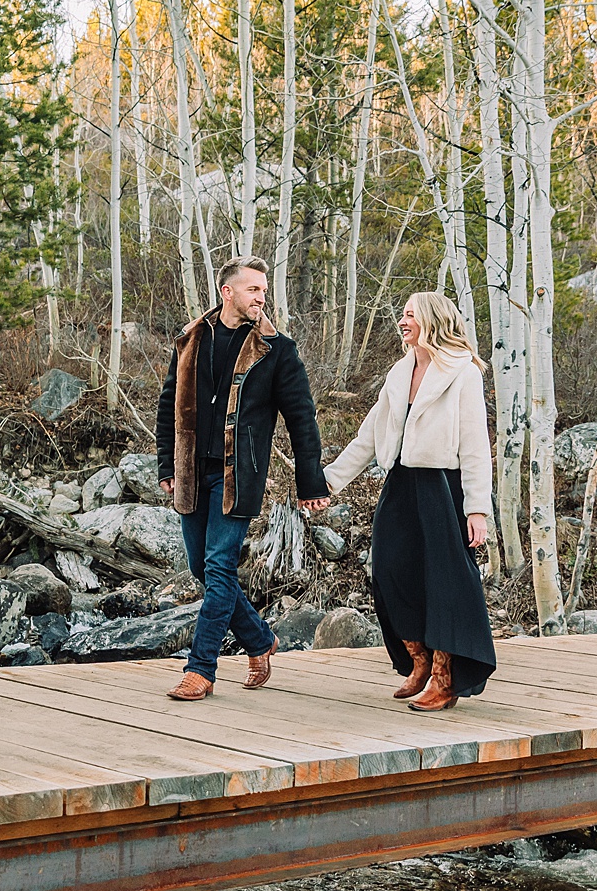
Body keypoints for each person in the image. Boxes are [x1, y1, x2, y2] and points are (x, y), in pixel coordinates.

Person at [155, 256, 329, 701]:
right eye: (253, 289)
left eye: (264, 290)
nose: (262, 297)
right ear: (227, 291)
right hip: (193, 473)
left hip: (239, 476)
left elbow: (302, 419)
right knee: (200, 566)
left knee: (218, 568)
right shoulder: (191, 339)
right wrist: (165, 468)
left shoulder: (276, 350)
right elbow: (167, 407)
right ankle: (259, 638)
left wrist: (311, 483)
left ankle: (201, 669)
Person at [321, 291, 495, 712]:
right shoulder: (399, 372)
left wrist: (477, 510)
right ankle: (417, 661)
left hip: (442, 488)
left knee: (444, 583)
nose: (402, 322)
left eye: (410, 315)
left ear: (432, 321)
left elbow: (475, 444)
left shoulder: (463, 373)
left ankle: (444, 676)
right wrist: (326, 484)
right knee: (390, 570)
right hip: (399, 485)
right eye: (402, 315)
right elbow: (368, 437)